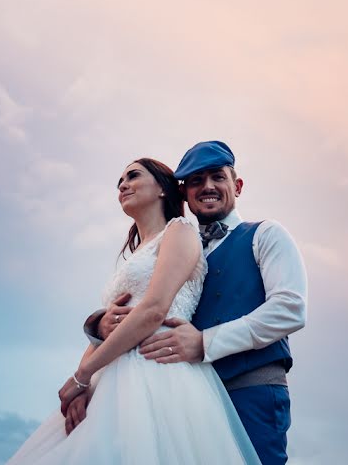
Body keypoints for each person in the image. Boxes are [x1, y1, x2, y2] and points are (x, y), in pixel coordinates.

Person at [6, 157, 260, 464]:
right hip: (111, 371)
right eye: (119, 182)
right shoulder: (136, 253)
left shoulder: (179, 231)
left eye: (133, 176)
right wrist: (84, 382)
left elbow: (154, 309)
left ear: (163, 189)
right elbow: (108, 328)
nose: (123, 184)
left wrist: (82, 375)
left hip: (159, 367)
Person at [74, 141, 308, 464]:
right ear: (184, 194)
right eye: (196, 181)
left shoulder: (265, 235)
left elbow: (290, 309)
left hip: (249, 390)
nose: (207, 186)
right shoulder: (178, 244)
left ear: (237, 185)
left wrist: (205, 342)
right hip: (184, 398)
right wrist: (99, 322)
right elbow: (151, 300)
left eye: (217, 177)